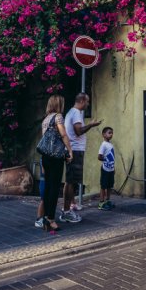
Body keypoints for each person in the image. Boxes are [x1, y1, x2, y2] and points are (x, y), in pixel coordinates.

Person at [61, 93, 101, 222]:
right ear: (82, 101)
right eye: (87, 102)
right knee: (70, 181)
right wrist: (91, 125)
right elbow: (78, 131)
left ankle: (70, 206)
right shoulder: (76, 113)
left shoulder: (71, 112)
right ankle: (66, 211)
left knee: (71, 180)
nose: (88, 104)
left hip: (73, 150)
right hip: (75, 150)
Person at [37, 94, 73, 232]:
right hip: (56, 156)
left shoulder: (45, 119)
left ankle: (46, 217)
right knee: (54, 187)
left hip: (46, 156)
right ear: (59, 104)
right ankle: (51, 219)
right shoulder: (58, 116)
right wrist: (70, 150)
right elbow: (63, 134)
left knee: (47, 187)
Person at [98, 126, 116, 210]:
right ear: (104, 134)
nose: (111, 134)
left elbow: (112, 157)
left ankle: (108, 200)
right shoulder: (103, 145)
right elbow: (99, 157)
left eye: (112, 133)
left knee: (109, 186)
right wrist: (106, 160)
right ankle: (101, 203)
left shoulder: (110, 144)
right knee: (103, 186)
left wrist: (113, 167)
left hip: (111, 169)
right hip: (105, 169)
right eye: (109, 133)